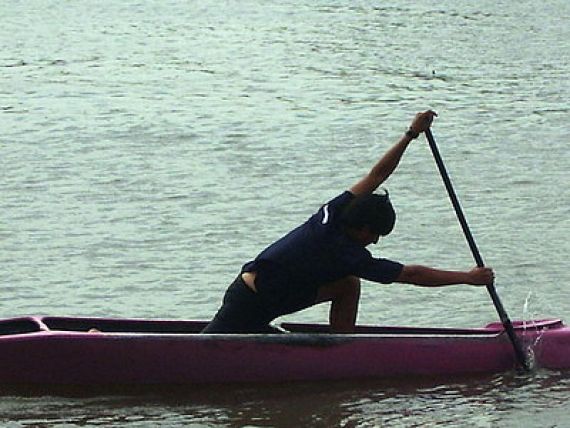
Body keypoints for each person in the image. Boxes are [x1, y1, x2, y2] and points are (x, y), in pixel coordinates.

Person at [202, 110, 494, 334]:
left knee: (348, 285)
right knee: (206, 352)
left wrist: (411, 134)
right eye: (376, 235)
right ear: (365, 228)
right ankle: (341, 353)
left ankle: (339, 345)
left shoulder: (334, 211)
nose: (375, 241)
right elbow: (411, 275)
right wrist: (467, 278)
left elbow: (376, 176)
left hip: (258, 293)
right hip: (251, 302)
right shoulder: (346, 251)